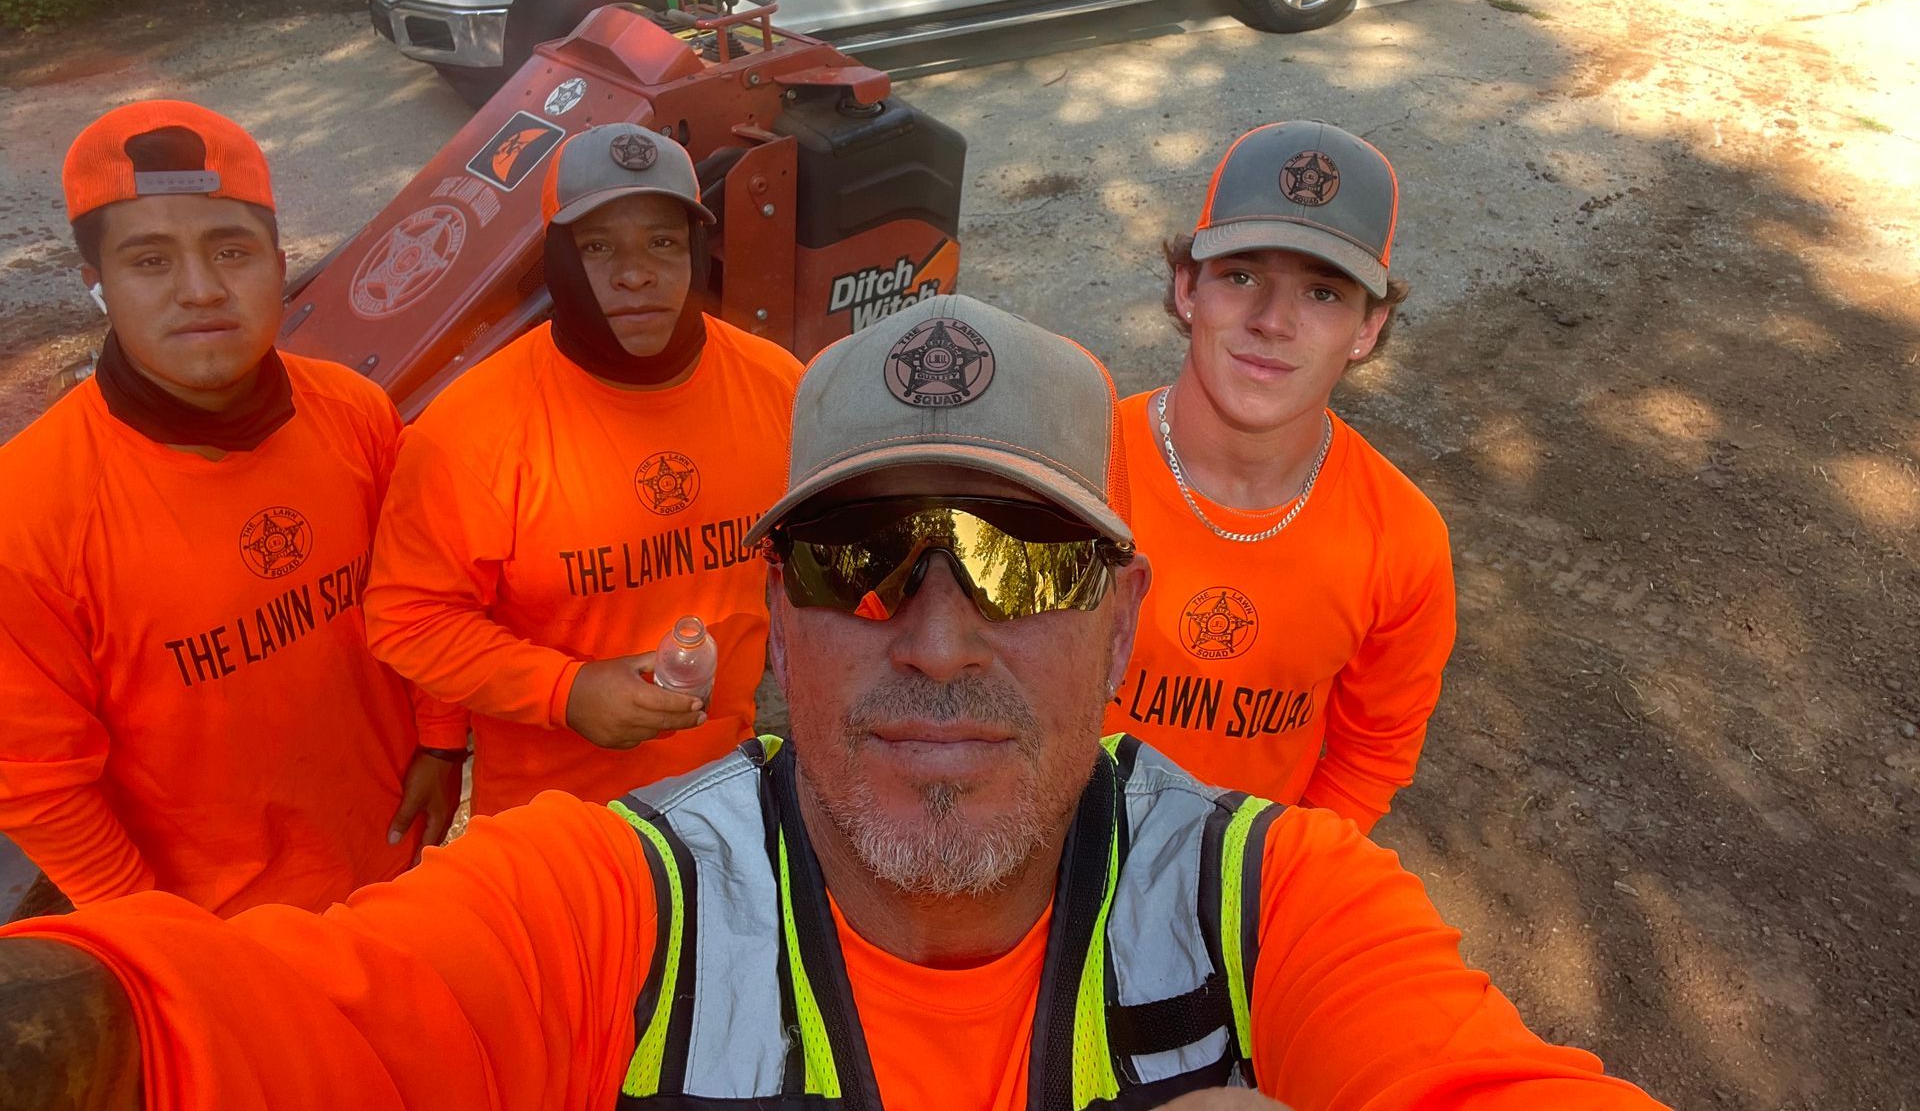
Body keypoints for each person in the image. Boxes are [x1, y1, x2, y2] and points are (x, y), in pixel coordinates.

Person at [0, 295, 1664, 1111]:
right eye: (864, 560)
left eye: (1019, 558)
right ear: (774, 628)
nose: (936, 638)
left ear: (1123, 619)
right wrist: (83, 1033)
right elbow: (306, 1012)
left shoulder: (1268, 900)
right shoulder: (615, 897)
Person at [0, 100, 466, 918]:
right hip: (213, 925)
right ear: (96, 285)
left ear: (279, 263)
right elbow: (39, 784)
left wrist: (440, 739)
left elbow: (425, 591)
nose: (202, 290)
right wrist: (158, 941)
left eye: (232, 250)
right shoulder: (28, 511)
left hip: (394, 860)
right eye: (150, 261)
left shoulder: (355, 414)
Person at [361, 123, 803, 817]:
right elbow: (407, 617)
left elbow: (822, 567)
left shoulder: (777, 386)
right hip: (551, 820)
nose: (636, 274)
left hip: (726, 796)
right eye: (599, 248)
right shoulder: (471, 425)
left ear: (695, 249)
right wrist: (564, 692)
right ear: (556, 261)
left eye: (662, 241)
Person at [1103, 123, 1456, 834]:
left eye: (1323, 294)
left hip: (1235, 878)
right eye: (1241, 276)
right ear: (1186, 289)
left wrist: (1274, 878)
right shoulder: (1072, 466)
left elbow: (1371, 755)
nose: (1273, 321)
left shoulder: (1401, 539)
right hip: (1045, 861)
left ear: (1368, 329)